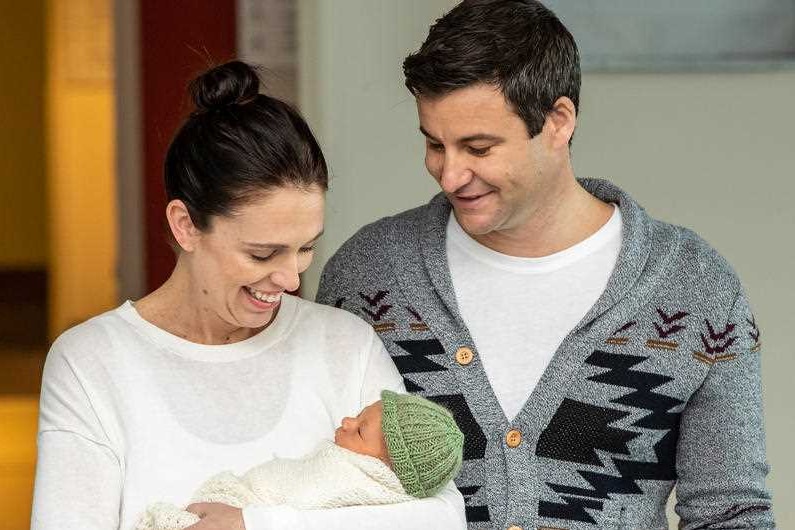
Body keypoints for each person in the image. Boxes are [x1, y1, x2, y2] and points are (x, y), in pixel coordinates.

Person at [316, 1, 775, 529]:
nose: (450, 175)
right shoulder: (367, 275)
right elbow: (320, 479)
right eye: (434, 144)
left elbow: (731, 513)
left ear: (558, 122)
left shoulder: (694, 290)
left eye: (479, 147)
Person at [31, 61, 466, 530]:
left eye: (305, 248)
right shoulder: (91, 363)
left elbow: (440, 518)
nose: (291, 280)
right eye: (262, 254)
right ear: (185, 226)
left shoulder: (345, 344)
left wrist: (255, 524)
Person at [135, 391, 464, 530]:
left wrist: (252, 519)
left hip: (247, 503)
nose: (347, 421)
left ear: (386, 468)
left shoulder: (353, 480)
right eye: (359, 415)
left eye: (360, 431)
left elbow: (303, 495)